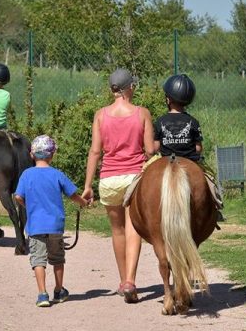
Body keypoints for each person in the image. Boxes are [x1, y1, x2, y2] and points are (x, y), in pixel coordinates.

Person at [82, 68, 153, 304]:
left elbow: (94, 151)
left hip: (109, 178)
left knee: (117, 231)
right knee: (134, 228)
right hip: (134, 177)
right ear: (130, 87)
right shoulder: (142, 113)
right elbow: (150, 150)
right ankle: (131, 280)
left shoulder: (100, 115)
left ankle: (123, 281)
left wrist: (88, 185)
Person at [14, 135, 89, 307]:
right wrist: (84, 202)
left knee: (38, 260)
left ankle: (42, 294)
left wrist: (28, 206)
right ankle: (59, 290)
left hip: (35, 226)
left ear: (32, 155)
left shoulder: (27, 174)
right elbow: (73, 195)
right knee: (57, 258)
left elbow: (18, 196)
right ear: (52, 155)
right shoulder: (57, 174)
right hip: (55, 225)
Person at [152, 73, 224, 217]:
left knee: (142, 176)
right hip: (190, 161)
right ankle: (216, 206)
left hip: (166, 160)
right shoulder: (193, 122)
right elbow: (198, 148)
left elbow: (154, 147)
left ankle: (130, 198)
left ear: (168, 99)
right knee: (210, 179)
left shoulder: (160, 122)